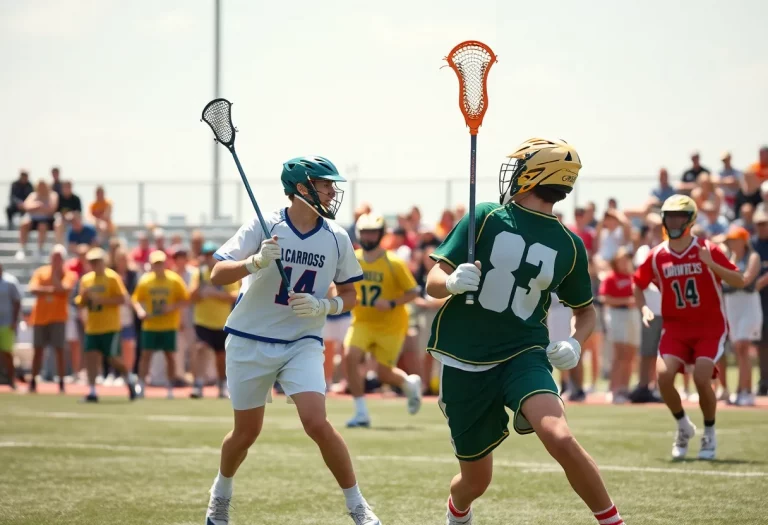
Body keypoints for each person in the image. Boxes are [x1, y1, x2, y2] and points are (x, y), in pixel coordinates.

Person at [426, 138, 623, 525]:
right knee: (474, 482)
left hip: (523, 353)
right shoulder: (485, 215)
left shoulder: (569, 244)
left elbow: (586, 312)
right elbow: (433, 280)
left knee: (560, 437)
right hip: (465, 360)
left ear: (536, 175)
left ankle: (613, 522)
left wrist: (575, 342)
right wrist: (449, 284)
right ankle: (458, 511)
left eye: (520, 168)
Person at [204, 156, 381, 525]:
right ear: (302, 188)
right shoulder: (264, 223)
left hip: (302, 340)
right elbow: (216, 273)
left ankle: (357, 506)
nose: (333, 192)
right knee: (246, 433)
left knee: (317, 422)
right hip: (250, 338)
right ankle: (220, 494)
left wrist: (324, 305)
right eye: (325, 184)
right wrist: (252, 263)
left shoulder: (337, 236)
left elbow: (350, 296)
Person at [633, 195, 744, 460]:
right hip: (675, 327)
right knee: (663, 376)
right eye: (669, 216)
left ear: (690, 220)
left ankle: (709, 432)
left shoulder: (707, 249)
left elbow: (738, 280)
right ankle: (683, 426)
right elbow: (637, 283)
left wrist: (712, 264)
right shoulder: (658, 254)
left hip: (709, 327)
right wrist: (644, 308)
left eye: (679, 217)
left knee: (702, 377)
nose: (674, 221)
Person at [343, 213, 421, 427]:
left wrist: (392, 302)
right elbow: (339, 283)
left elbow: (413, 291)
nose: (368, 237)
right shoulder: (352, 258)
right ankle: (361, 412)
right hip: (362, 321)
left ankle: (408, 383)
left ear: (381, 234)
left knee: (383, 374)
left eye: (373, 232)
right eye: (365, 232)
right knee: (350, 356)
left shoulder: (393, 262)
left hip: (390, 324)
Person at [75, 248, 136, 402]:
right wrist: (83, 297)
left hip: (110, 326)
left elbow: (123, 299)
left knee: (113, 359)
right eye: (92, 262)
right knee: (91, 357)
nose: (95, 265)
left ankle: (129, 379)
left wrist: (102, 300)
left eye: (97, 261)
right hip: (93, 326)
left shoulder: (112, 277)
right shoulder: (86, 279)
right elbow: (80, 303)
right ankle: (93, 390)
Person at [132, 250, 189, 399]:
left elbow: (185, 299)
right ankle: (141, 385)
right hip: (150, 325)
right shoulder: (146, 281)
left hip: (168, 325)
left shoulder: (174, 280)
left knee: (170, 356)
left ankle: (170, 387)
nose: (158, 267)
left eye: (161, 263)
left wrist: (171, 307)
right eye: (155, 264)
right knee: (146, 356)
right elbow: (136, 299)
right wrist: (140, 311)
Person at [189, 241, 238, 399]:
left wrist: (214, 294)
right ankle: (197, 384)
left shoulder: (224, 272)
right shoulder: (199, 274)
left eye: (212, 255)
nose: (209, 258)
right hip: (202, 320)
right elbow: (191, 297)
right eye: (206, 255)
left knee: (220, 356)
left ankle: (222, 385)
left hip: (221, 321)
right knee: (200, 349)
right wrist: (200, 288)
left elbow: (234, 296)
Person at [27, 245, 79, 393]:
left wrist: (56, 276)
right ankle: (33, 382)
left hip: (58, 318)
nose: (56, 260)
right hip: (40, 318)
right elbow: (33, 289)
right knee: (38, 351)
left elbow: (64, 290)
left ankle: (61, 383)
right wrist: (52, 290)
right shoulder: (41, 272)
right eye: (54, 257)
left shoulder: (69, 274)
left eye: (59, 258)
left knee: (60, 350)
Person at [721, 225, 761, 406]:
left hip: (748, 305)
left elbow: (746, 280)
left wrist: (730, 280)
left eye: (734, 239)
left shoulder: (753, 257)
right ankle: (739, 390)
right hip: (732, 306)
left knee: (743, 346)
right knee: (738, 349)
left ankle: (747, 391)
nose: (731, 243)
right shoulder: (729, 258)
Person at [599, 247, 640, 404]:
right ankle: (613, 389)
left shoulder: (633, 277)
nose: (625, 263)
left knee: (630, 354)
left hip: (632, 314)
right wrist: (626, 301)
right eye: (622, 259)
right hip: (617, 314)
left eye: (627, 259)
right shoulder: (610, 278)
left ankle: (624, 389)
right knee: (619, 353)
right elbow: (605, 299)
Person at [16, 180, 58, 260]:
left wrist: (37, 207)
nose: (41, 188)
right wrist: (39, 206)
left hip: (47, 220)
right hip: (33, 219)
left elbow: (52, 209)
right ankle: (22, 248)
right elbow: (26, 206)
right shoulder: (33, 195)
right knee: (24, 223)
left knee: (42, 226)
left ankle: (40, 249)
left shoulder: (53, 195)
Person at [323, 282, 352, 390]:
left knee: (345, 349)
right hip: (327, 315)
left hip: (344, 315)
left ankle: (347, 381)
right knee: (327, 350)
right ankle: (327, 382)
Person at [0, 263, 21, 389]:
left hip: (7, 323)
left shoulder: (10, 281)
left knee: (7, 352)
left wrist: (14, 320)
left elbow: (17, 301)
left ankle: (12, 380)